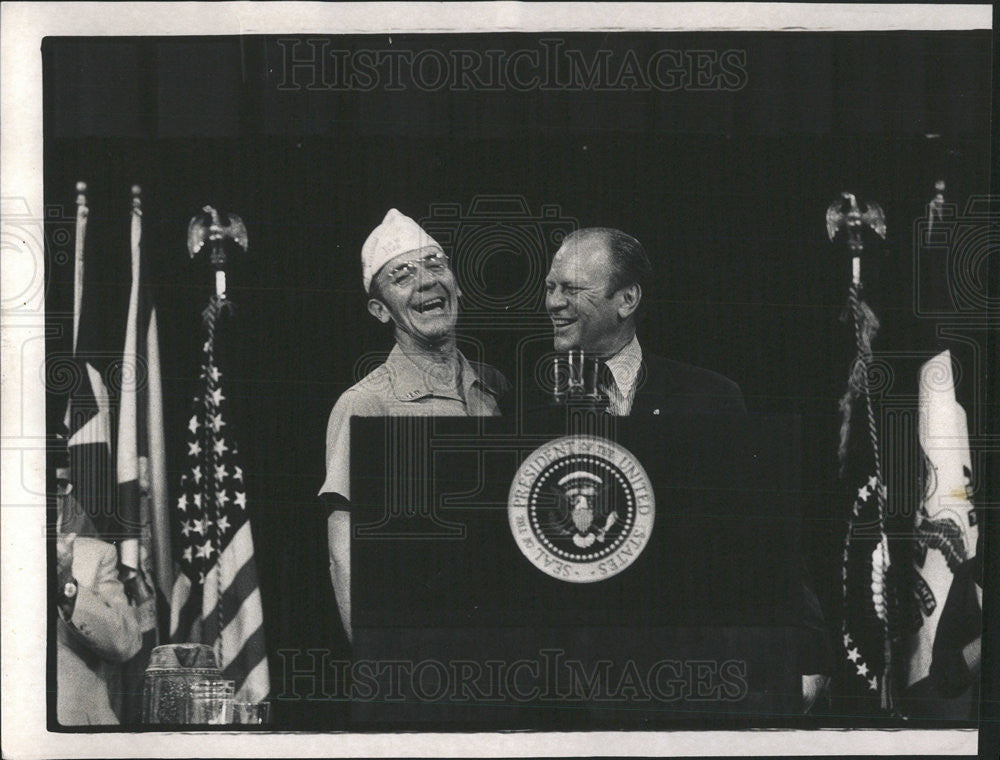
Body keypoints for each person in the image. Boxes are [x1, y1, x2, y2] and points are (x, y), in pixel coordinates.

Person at [542, 226, 833, 711]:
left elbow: (761, 534)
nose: (553, 302)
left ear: (627, 298)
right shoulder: (532, 407)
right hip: (573, 683)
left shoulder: (710, 398)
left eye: (570, 289)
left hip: (686, 675)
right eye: (550, 287)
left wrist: (809, 652)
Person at [320, 209, 509, 642]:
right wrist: (376, 659)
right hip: (420, 644)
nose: (426, 280)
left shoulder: (495, 387)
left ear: (457, 284)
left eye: (435, 264)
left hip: (503, 635)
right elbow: (344, 549)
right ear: (379, 310)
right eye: (402, 274)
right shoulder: (365, 403)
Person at [55, 475, 142, 725]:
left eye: (56, 490)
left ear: (62, 496)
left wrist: (66, 585)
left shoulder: (96, 555)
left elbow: (125, 643)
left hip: (74, 734)